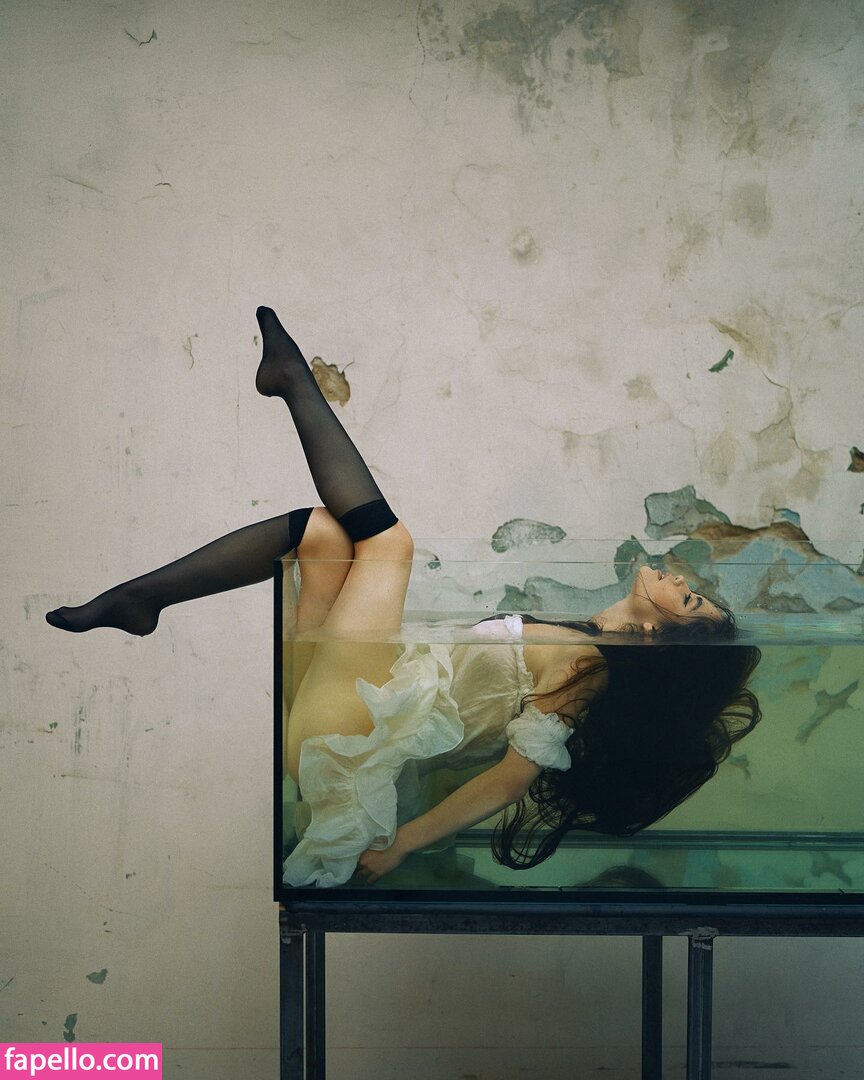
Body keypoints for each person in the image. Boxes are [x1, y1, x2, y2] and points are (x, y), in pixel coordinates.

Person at [47, 307, 761, 888]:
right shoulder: (575, 635)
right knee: (322, 535)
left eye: (690, 602)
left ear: (660, 635)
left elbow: (508, 783)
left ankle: (293, 384)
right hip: (341, 705)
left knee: (390, 544)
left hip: (349, 734)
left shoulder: (586, 669)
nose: (682, 581)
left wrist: (404, 844)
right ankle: (143, 601)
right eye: (693, 589)